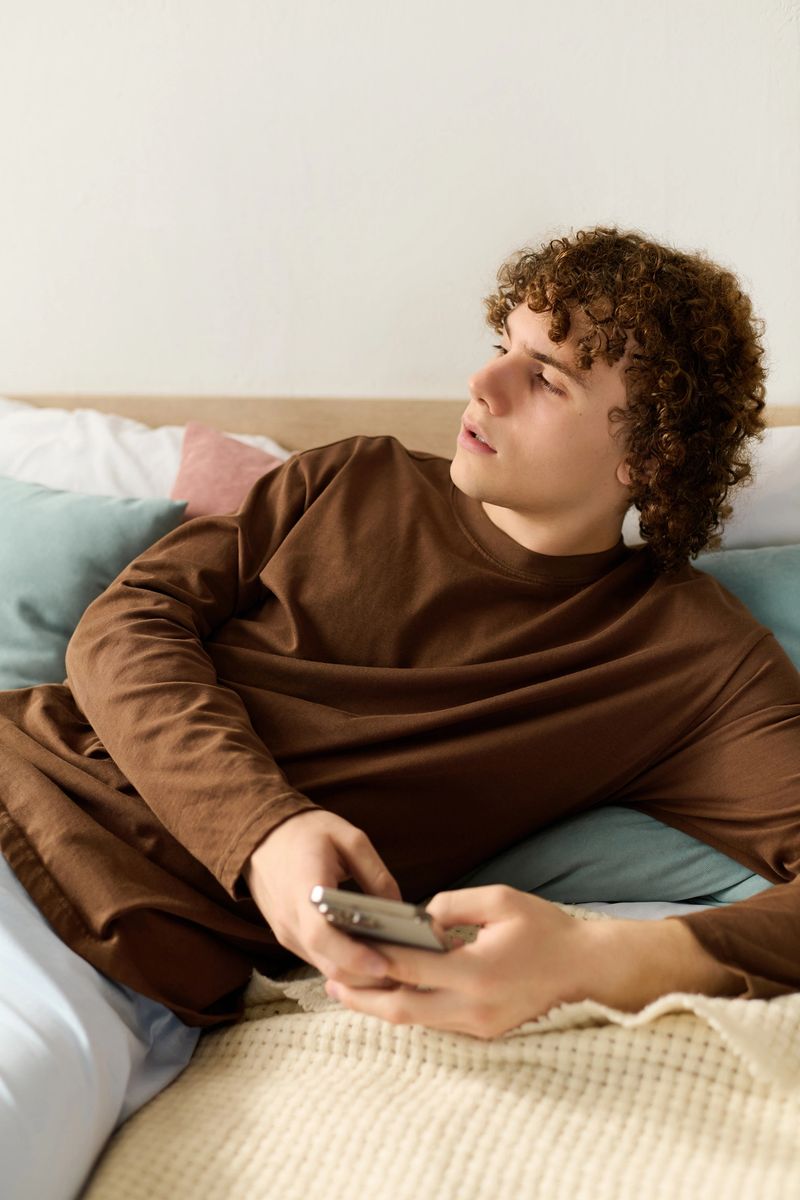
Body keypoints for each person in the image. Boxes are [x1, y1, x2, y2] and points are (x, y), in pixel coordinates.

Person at [1, 226, 798, 1200]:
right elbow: (124, 626)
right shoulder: (348, 476)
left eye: (544, 378)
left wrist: (604, 956)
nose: (482, 383)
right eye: (503, 343)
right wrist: (268, 831)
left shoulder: (688, 659)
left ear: (648, 456)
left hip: (104, 950)